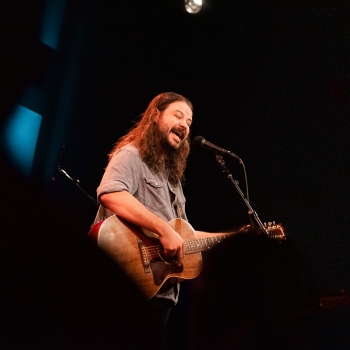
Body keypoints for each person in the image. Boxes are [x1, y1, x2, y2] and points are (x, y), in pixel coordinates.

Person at [95, 92, 226, 349]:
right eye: (178, 115)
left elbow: (183, 238)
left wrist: (235, 238)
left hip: (160, 295)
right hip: (130, 285)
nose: (185, 125)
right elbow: (110, 193)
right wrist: (162, 230)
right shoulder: (131, 155)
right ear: (156, 116)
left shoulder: (173, 182)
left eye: (189, 121)